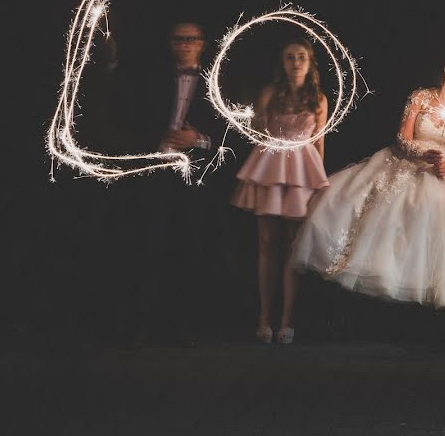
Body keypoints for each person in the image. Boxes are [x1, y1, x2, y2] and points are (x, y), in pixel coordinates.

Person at [292, 47, 445, 308]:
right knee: (387, 206)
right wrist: (422, 154)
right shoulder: (420, 97)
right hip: (411, 159)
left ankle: (436, 292)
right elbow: (402, 138)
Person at [121, 20, 224, 348]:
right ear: (170, 44)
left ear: (202, 44)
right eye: (179, 39)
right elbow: (132, 118)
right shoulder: (151, 82)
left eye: (191, 39)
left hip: (193, 176)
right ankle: (148, 324)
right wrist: (156, 139)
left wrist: (199, 139)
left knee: (190, 248)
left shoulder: (216, 84)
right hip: (155, 172)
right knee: (152, 247)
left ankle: (185, 326)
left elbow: (232, 132)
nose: (185, 44)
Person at [232, 35, 329, 345]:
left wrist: (318, 184)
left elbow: (319, 145)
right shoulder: (270, 93)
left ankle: (286, 319)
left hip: (302, 172)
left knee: (292, 245)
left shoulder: (319, 99)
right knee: (266, 241)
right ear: (282, 63)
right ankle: (263, 317)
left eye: (301, 56)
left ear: (310, 62)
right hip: (271, 167)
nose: (296, 61)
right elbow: (255, 132)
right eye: (290, 56)